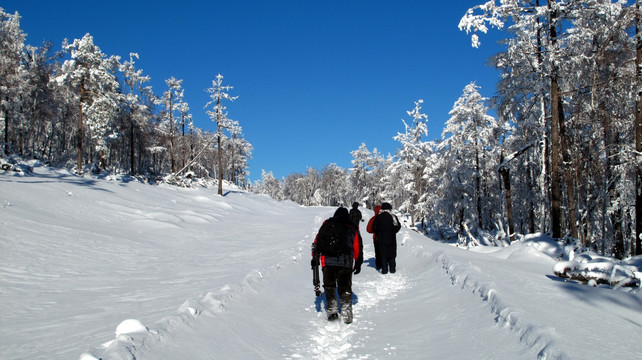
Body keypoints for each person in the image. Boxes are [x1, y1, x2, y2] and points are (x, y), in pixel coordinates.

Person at [311, 207, 363, 324]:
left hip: (327, 261)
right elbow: (356, 247)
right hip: (345, 262)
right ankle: (347, 314)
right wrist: (358, 261)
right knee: (345, 288)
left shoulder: (327, 223)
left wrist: (315, 257)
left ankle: (332, 312)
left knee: (329, 287)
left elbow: (317, 241)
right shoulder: (351, 226)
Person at [372, 202, 401, 274]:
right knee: (392, 254)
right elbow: (397, 227)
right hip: (391, 239)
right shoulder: (393, 217)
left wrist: (379, 233)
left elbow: (374, 228)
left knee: (383, 255)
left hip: (381, 239)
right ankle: (392, 269)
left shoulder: (378, 217)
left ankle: (384, 270)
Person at [366, 205, 382, 270]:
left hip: (376, 238)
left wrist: (373, 231)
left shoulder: (373, 219)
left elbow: (368, 229)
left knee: (377, 252)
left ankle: (379, 265)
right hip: (386, 238)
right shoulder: (385, 218)